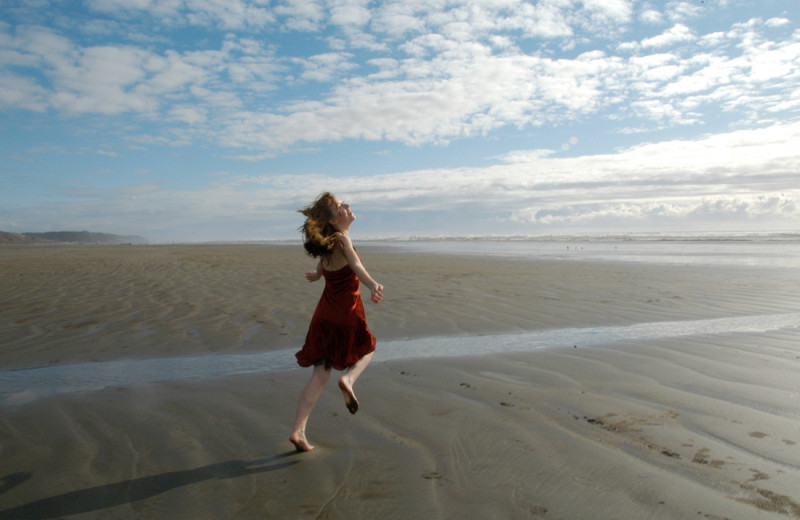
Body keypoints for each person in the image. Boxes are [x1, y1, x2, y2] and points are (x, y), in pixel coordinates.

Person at [289, 192, 384, 452]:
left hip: (323, 316)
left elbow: (323, 266)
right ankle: (349, 380)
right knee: (369, 347)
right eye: (341, 207)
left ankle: (298, 431)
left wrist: (317, 275)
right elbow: (355, 265)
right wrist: (373, 284)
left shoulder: (328, 244)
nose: (347, 206)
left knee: (320, 374)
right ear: (333, 222)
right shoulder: (343, 239)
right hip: (345, 312)